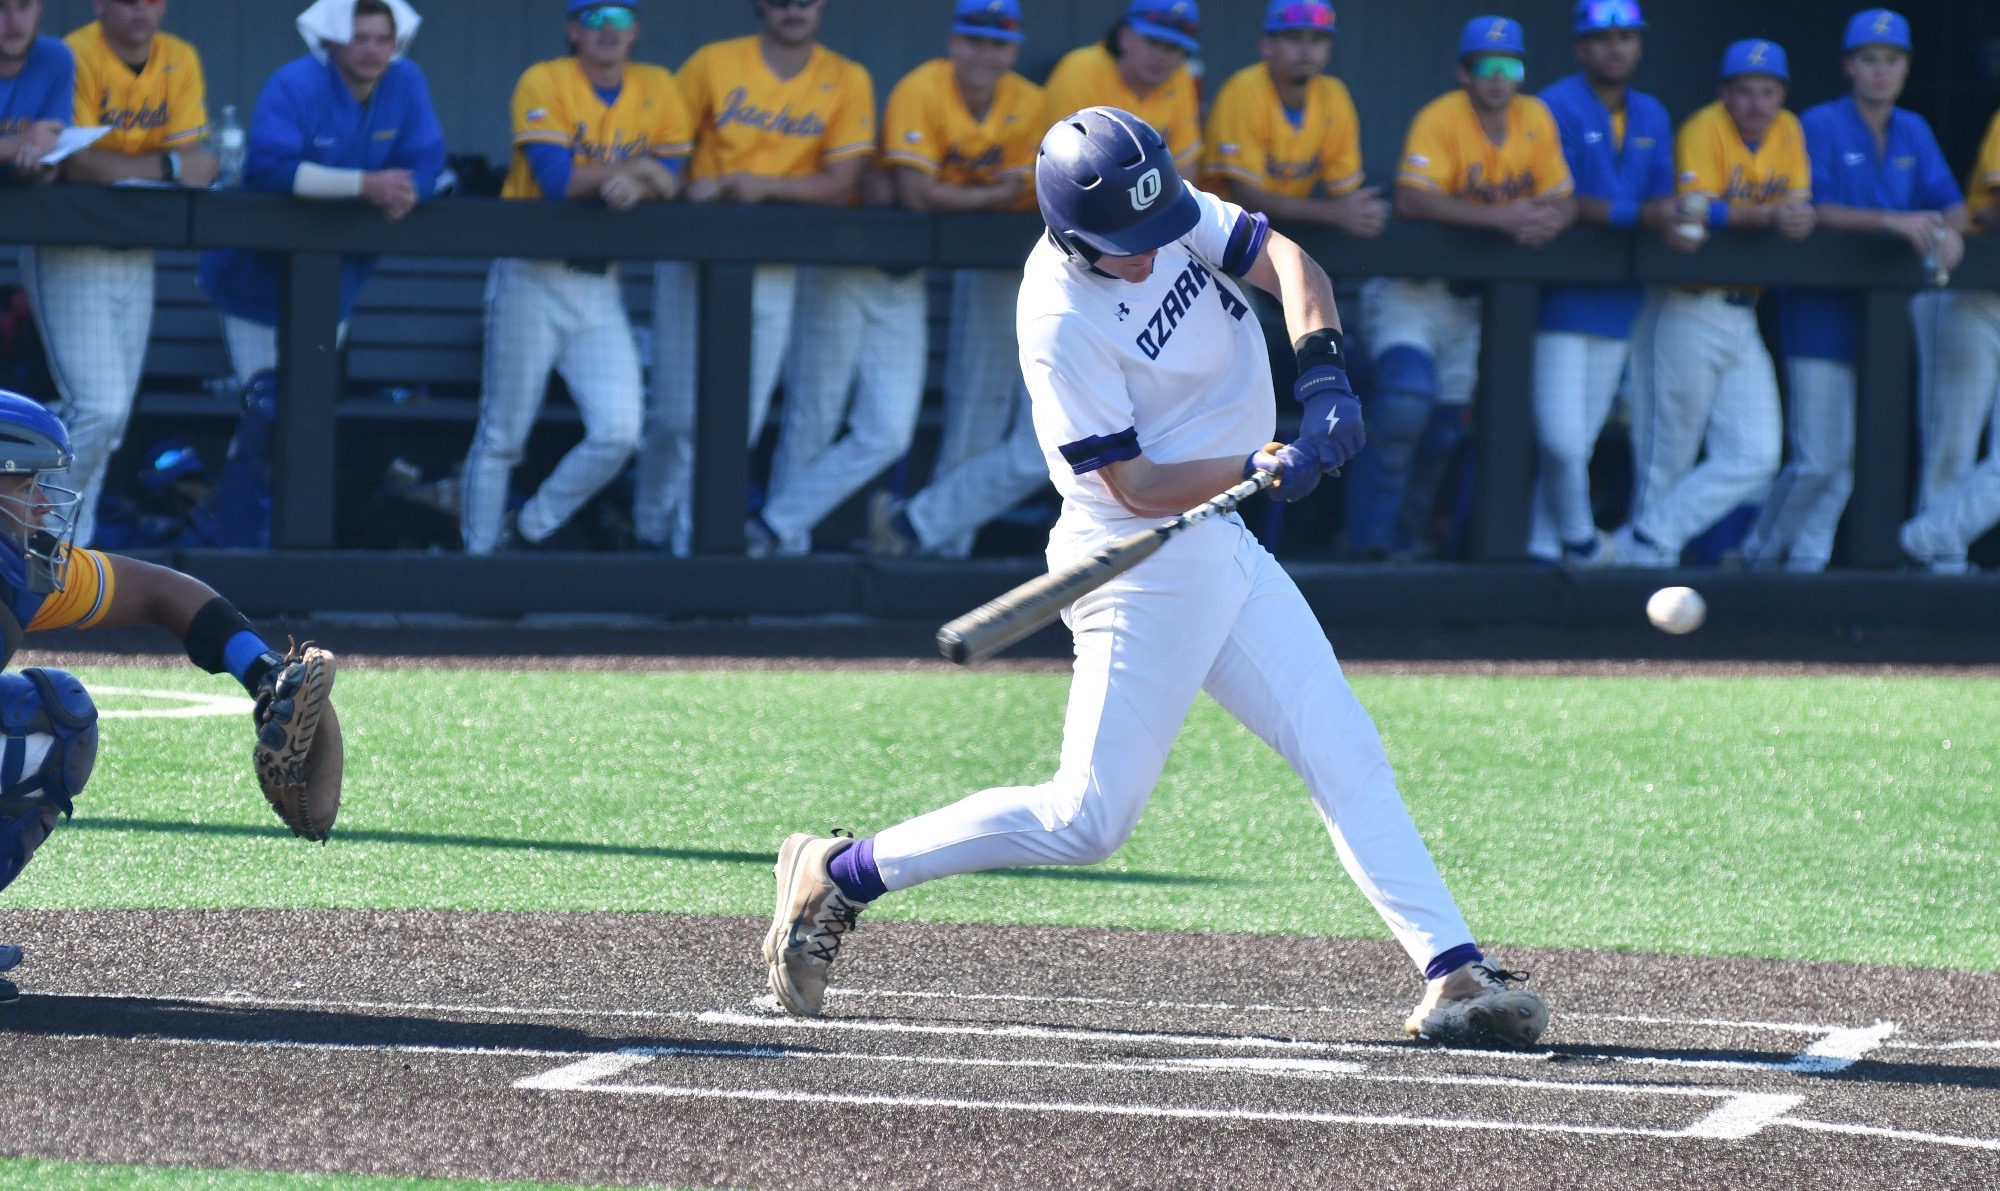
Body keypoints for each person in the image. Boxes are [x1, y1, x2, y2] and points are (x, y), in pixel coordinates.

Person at [762, 107, 1551, 1050]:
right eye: (1124, 247)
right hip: (1141, 558)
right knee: (1087, 819)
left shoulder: (1160, 207)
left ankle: (1452, 971)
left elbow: (1291, 264)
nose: (1149, 253)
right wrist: (1258, 464)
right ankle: (842, 873)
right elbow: (1131, 486)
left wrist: (1325, 378)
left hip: (1223, 542)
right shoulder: (1057, 315)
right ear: (1070, 233)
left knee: (1341, 744)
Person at [0, 389, 335, 1003]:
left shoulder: (20, 569)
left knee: (50, 718)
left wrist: (261, 672)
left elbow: (167, 594)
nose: (47, 503)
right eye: (27, 483)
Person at [197, 0, 444, 549]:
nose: (373, 49)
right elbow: (269, 168)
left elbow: (428, 163)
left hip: (336, 287)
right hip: (253, 286)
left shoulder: (407, 83)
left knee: (305, 418)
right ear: (332, 40)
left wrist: (409, 192)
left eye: (384, 37)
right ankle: (240, 547)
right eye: (360, 37)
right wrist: (364, 185)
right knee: (267, 412)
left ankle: (293, 553)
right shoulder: (295, 83)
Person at [634, 0, 874, 555]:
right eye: (781, 0)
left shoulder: (845, 77)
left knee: (733, 419)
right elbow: (665, 149)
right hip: (695, 251)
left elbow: (841, 181)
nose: (793, 10)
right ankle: (648, 531)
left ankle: (690, 547)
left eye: (805, 1)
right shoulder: (713, 63)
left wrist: (759, 185)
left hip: (773, 265)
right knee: (673, 415)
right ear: (761, 6)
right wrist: (675, 183)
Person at [460, 0, 689, 554]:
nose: (607, 31)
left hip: (599, 287)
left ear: (635, 29)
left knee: (619, 431)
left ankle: (530, 528)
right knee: (502, 436)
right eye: (594, 18)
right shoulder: (544, 80)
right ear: (572, 30)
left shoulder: (659, 84)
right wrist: (638, 172)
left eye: (618, 18)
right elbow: (557, 178)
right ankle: (476, 562)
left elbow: (676, 177)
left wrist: (649, 179)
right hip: (530, 278)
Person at [1744, 9, 1965, 573]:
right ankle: (1758, 556)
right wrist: (1890, 222)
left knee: (1847, 462)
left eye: (1892, 61)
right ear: (1849, 66)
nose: (1881, 72)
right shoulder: (1816, 123)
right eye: (1870, 60)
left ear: (1906, 67)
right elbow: (1808, 208)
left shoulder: (1913, 128)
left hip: (1884, 320)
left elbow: (1951, 203)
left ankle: (1807, 566)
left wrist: (1953, 232)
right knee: (1816, 458)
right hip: (1820, 311)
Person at [1353, 16, 1574, 561]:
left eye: (1510, 66)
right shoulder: (1442, 117)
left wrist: (1553, 222)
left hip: (1475, 303)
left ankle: (1406, 541)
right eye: (1486, 67)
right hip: (1415, 293)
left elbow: (1563, 196)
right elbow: (1411, 199)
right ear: (1464, 73)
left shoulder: (1535, 117)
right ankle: (1366, 544)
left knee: (1447, 431)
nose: (1499, 78)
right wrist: (1506, 219)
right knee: (1404, 402)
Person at [1610, 40, 1813, 568]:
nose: (1756, 104)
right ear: (1725, 93)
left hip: (1743, 314)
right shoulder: (1704, 127)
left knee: (1757, 454)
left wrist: (1793, 217)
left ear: (1782, 94)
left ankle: (1643, 543)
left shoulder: (1789, 130)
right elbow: (1696, 209)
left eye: (1767, 92)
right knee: (1665, 459)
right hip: (1684, 309)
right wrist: (1769, 218)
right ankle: (1642, 572)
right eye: (1744, 91)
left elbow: (1796, 205)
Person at [19, 0, 211, 550]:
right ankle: (36, 543)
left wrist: (167, 167)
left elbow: (199, 162)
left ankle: (71, 558)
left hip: (136, 251)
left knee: (112, 422)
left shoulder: (179, 56)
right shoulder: (74, 53)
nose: (140, 10)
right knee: (98, 409)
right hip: (71, 246)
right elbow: (77, 162)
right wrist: (169, 167)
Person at [865, 0, 1047, 561]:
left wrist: (981, 196)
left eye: (997, 43)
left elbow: (1034, 192)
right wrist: (994, 193)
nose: (984, 54)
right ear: (954, 41)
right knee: (973, 414)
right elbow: (918, 195)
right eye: (974, 39)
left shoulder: (1032, 103)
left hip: (1044, 267)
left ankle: (917, 527)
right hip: (983, 271)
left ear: (1013, 50)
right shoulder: (925, 87)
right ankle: (941, 551)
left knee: (1047, 440)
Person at [1527, 0, 1683, 566]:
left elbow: (1662, 198)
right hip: (1559, 300)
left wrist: (1676, 215)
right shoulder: (1554, 105)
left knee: (1580, 445)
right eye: (1602, 38)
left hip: (1621, 301)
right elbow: (1561, 198)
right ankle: (1583, 544)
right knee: (1562, 443)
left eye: (1626, 37)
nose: (1615, 48)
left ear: (1638, 46)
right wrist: (1640, 215)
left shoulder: (1653, 114)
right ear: (1580, 47)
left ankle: (1543, 548)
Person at [1900, 106, 2000, 573]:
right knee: (1952, 443)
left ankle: (1927, 539)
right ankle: (1940, 561)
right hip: (1970, 295)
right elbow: (1994, 211)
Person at [1200, 0, 1386, 240]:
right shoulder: (1243, 91)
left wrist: (1363, 213)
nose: (1307, 50)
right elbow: (1244, 196)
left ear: (1329, 49)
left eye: (1317, 39)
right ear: (1267, 46)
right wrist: (1335, 213)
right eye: (1294, 38)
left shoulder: (1334, 95)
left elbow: (1343, 190)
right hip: (1220, 233)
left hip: (1285, 232)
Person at [1042, 0, 1202, 174]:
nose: (1161, 56)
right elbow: (1065, 167)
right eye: (1153, 42)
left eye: (1173, 47)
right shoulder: (1081, 69)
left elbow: (1184, 165)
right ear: (1125, 37)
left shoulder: (1180, 77)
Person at [0, 0, 69, 188]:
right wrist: (18, 144)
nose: (13, 21)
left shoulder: (56, 58)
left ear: (38, 9)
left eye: (23, 6)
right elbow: (31, 140)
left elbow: (51, 164)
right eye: (1, 7)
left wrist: (36, 169)